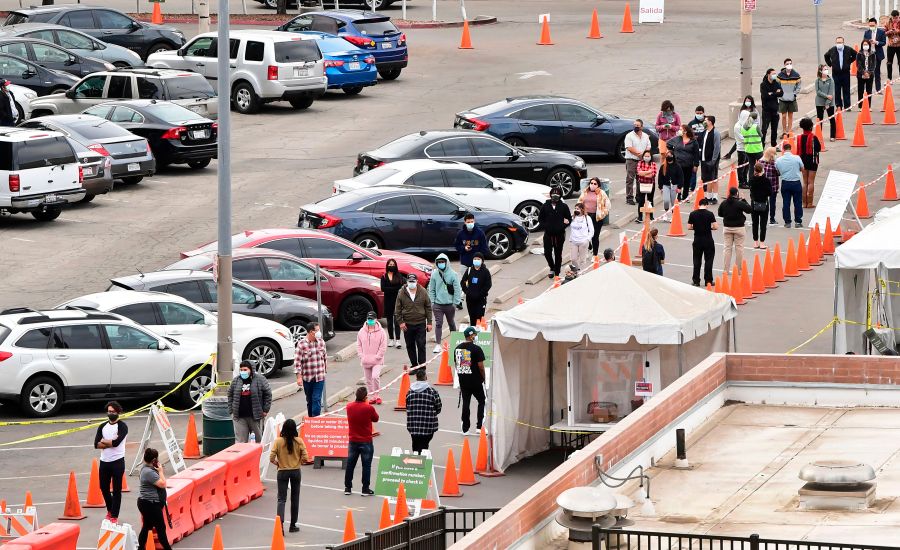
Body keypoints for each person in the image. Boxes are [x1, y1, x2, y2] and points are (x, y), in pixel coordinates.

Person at [269, 418, 309, 534]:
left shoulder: (278, 441)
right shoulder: (299, 441)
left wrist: (278, 463)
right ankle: (293, 525)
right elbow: (306, 457)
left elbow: (271, 457)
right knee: (295, 498)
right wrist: (298, 462)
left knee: (281, 499)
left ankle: (280, 525)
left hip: (282, 472)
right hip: (296, 471)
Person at [94, 401, 128, 524]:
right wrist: (108, 442)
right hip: (104, 462)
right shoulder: (102, 426)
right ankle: (110, 509)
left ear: (118, 412)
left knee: (117, 490)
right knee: (103, 487)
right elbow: (96, 444)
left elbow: (117, 443)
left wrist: (105, 442)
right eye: (109, 411)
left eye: (113, 412)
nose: (110, 414)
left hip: (118, 462)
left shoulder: (122, 426)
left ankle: (114, 515)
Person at [344, 387, 378, 496]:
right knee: (366, 465)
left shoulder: (349, 407)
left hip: (353, 440)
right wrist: (367, 404)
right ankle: (365, 488)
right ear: (365, 397)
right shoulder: (369, 408)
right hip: (366, 440)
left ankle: (348, 487)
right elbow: (376, 419)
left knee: (350, 464)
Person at [137, 448, 172, 550]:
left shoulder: (147, 469)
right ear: (154, 460)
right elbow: (163, 484)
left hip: (147, 503)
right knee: (161, 528)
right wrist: (161, 471)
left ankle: (141, 548)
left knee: (147, 526)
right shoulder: (148, 472)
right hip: (150, 504)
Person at [228, 360, 272, 442]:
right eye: (241, 370)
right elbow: (230, 395)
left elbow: (268, 394)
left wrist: (265, 410)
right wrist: (231, 411)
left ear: (251, 370)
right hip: (239, 417)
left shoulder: (260, 379)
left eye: (245, 370)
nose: (242, 372)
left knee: (258, 440)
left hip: (255, 417)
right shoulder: (236, 381)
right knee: (240, 442)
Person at [427, 253, 462, 354]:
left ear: (447, 262)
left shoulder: (453, 274)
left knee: (451, 323)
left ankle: (454, 343)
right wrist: (433, 302)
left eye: (443, 262)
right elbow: (431, 289)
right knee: (438, 324)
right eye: (439, 262)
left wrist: (455, 303)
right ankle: (438, 345)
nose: (441, 264)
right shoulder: (434, 274)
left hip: (450, 304)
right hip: (438, 305)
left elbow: (457, 290)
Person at [454, 326, 486, 435]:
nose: (476, 336)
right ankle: (479, 427)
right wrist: (483, 378)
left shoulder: (458, 348)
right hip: (476, 380)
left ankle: (465, 428)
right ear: (471, 336)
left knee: (466, 403)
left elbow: (457, 365)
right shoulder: (477, 349)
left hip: (464, 380)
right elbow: (481, 366)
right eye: (475, 335)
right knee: (481, 401)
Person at [396, 274, 432, 368]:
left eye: (413, 281)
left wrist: (429, 322)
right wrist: (401, 322)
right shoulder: (401, 292)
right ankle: (414, 365)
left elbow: (428, 307)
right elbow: (397, 309)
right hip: (407, 324)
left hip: (420, 323)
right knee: (410, 345)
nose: (411, 283)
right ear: (407, 282)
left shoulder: (423, 291)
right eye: (410, 282)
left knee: (421, 345)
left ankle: (422, 366)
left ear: (417, 282)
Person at [538, 186, 572, 278]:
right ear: (550, 195)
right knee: (547, 252)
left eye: (557, 195)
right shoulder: (545, 206)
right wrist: (546, 226)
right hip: (548, 234)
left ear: (560, 196)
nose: (555, 196)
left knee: (558, 254)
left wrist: (563, 226)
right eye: (553, 194)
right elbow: (540, 219)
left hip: (559, 235)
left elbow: (569, 219)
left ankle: (557, 273)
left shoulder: (563, 206)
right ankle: (552, 267)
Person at [405, 368, 442, 454]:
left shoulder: (410, 392)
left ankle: (416, 459)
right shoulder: (432, 392)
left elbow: (407, 407)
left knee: (415, 444)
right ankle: (422, 460)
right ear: (426, 378)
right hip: (428, 426)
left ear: (416, 378)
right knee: (424, 445)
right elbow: (438, 407)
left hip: (413, 425)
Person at [718, 187, 752, 275]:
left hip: (727, 228)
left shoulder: (724, 203)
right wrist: (744, 200)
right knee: (739, 249)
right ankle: (739, 270)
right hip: (739, 228)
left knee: (727, 249)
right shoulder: (739, 203)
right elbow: (749, 210)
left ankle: (725, 270)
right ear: (736, 194)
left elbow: (720, 214)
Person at [294, 323, 326, 417]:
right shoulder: (301, 344)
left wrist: (324, 371)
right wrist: (299, 377)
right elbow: (297, 362)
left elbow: (324, 357)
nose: (319, 332)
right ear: (311, 332)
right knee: (310, 401)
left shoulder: (321, 342)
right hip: (307, 378)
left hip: (319, 377)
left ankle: (315, 422)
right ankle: (311, 421)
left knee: (316, 399)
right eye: (317, 330)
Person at [357, 311, 386, 405]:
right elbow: (359, 345)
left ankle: (377, 396)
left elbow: (383, 346)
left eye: (372, 319)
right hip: (366, 360)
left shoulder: (381, 332)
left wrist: (378, 356)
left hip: (377, 361)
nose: (370, 321)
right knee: (368, 380)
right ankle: (372, 396)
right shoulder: (361, 331)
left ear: (376, 320)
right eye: (369, 319)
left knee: (375, 376)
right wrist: (361, 356)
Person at [687, 198, 718, 287]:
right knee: (708, 260)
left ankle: (696, 280)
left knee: (696, 260)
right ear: (706, 205)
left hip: (697, 240)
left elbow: (689, 227)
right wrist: (710, 228)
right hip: (708, 240)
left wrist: (696, 228)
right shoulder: (710, 214)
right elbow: (716, 226)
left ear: (699, 205)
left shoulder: (693, 214)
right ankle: (708, 280)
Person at [666, 124, 700, 201]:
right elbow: (668, 144)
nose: (679, 131)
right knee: (678, 180)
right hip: (678, 164)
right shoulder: (677, 139)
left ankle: (685, 196)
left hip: (688, 164)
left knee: (687, 181)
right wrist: (672, 151)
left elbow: (696, 154)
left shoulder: (693, 141)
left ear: (685, 131)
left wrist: (696, 164)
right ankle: (678, 195)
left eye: (681, 129)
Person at [775, 143, 805, 228]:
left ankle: (787, 222)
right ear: (791, 148)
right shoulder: (797, 158)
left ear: (783, 149)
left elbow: (777, 172)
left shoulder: (779, 160)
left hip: (785, 183)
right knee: (798, 203)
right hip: (796, 182)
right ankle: (798, 221)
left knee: (786, 203)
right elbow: (802, 169)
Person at [578, 177, 610, 255]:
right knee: (584, 235)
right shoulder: (585, 192)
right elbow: (579, 202)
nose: (592, 185)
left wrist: (602, 214)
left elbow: (608, 205)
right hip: (586, 216)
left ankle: (595, 254)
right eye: (591, 183)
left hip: (596, 217)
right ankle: (590, 247)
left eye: (595, 184)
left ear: (598, 185)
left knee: (595, 237)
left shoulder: (601, 193)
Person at [623, 119, 651, 205]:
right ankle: (629, 198)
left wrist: (644, 154)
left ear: (642, 127)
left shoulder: (645, 136)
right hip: (631, 160)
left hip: (641, 161)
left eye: (637, 125)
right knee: (630, 179)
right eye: (634, 125)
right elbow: (629, 148)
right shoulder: (629, 136)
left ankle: (639, 197)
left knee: (640, 179)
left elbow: (648, 146)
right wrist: (639, 154)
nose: (635, 127)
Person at [824, 37, 857, 111]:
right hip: (836, 73)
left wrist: (849, 62)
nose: (839, 44)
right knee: (837, 90)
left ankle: (847, 106)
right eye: (838, 43)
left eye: (840, 42)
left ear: (843, 43)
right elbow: (826, 56)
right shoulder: (832, 50)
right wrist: (830, 64)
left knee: (846, 90)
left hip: (845, 73)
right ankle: (838, 106)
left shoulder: (848, 49)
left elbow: (855, 54)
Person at [796, 117, 822, 209]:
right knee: (811, 182)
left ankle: (804, 203)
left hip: (802, 161)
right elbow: (819, 148)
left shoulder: (799, 137)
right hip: (812, 161)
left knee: (805, 182)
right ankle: (810, 203)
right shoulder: (813, 137)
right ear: (811, 126)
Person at [724, 95, 758, 161]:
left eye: (749, 101)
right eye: (746, 101)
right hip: (743, 128)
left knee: (742, 142)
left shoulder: (754, 110)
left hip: (750, 129)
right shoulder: (742, 110)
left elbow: (757, 120)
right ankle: (729, 154)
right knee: (739, 141)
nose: (747, 102)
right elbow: (740, 119)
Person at [461, 251, 491, 325]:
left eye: (478, 259)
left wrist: (480, 294)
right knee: (472, 318)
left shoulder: (485, 271)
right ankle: (473, 335)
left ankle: (479, 334)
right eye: (475, 259)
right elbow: (463, 282)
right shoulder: (469, 270)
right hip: (470, 299)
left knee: (479, 318)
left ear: (482, 261)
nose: (476, 260)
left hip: (480, 300)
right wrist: (467, 292)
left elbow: (488, 285)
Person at [380, 259, 403, 349]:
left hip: (397, 301)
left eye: (393, 264)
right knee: (389, 321)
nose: (391, 265)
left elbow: (400, 287)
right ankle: (391, 339)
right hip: (388, 301)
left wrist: (389, 289)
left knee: (397, 321)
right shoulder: (384, 276)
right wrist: (394, 289)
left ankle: (398, 340)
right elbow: (383, 288)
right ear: (387, 265)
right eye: (390, 264)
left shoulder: (399, 275)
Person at [748, 162, 772, 249]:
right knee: (763, 224)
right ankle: (762, 242)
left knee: (755, 223)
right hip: (764, 203)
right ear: (762, 170)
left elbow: (750, 189)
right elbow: (770, 192)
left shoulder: (752, 180)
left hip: (754, 203)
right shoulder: (766, 180)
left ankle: (755, 242)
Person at [699, 115, 721, 202]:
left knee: (713, 178)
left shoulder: (715, 133)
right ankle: (708, 196)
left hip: (712, 160)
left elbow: (717, 147)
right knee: (706, 179)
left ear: (710, 122)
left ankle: (714, 196)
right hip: (704, 159)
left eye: (706, 120)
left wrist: (714, 160)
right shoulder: (705, 132)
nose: (704, 122)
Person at [760, 69, 784, 147]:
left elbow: (781, 93)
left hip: (775, 110)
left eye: (775, 74)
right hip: (766, 111)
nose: (774, 75)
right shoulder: (763, 85)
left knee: (774, 130)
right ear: (768, 75)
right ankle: (762, 145)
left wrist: (771, 93)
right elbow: (765, 96)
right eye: (773, 74)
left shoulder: (776, 83)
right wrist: (775, 93)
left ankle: (774, 145)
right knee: (764, 130)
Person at [777, 59, 802, 134]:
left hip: (792, 99)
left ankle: (789, 131)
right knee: (784, 116)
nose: (789, 65)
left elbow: (799, 86)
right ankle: (784, 131)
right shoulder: (780, 75)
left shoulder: (796, 75)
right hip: (782, 99)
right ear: (784, 65)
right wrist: (780, 94)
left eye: (790, 63)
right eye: (787, 63)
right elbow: (777, 85)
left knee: (790, 116)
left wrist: (794, 94)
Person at [568, 202, 594, 270]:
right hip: (574, 241)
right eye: (575, 208)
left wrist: (587, 239)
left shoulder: (587, 218)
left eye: (578, 209)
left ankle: (582, 273)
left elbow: (591, 231)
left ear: (582, 210)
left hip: (583, 241)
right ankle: (576, 270)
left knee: (582, 260)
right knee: (573, 259)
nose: (576, 210)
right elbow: (566, 223)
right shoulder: (572, 217)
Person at [657, 150, 683, 217]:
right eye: (667, 156)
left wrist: (679, 187)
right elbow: (660, 177)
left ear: (673, 156)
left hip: (674, 186)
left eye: (670, 155)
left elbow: (681, 177)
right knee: (666, 200)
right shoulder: (663, 166)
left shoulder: (677, 166)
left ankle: (673, 215)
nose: (669, 157)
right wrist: (660, 187)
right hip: (666, 185)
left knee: (673, 202)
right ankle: (666, 214)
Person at [864, 17, 887, 92]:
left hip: (877, 54)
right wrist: (868, 43)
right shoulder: (867, 32)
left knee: (877, 72)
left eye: (873, 25)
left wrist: (876, 42)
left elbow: (884, 42)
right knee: (868, 72)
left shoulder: (881, 32)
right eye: (870, 25)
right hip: (869, 55)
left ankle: (878, 89)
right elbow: (864, 43)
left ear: (876, 24)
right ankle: (867, 89)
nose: (871, 27)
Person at [742, 111, 764, 185]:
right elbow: (761, 135)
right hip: (757, 149)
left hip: (748, 149)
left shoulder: (743, 127)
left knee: (751, 166)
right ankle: (761, 180)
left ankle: (751, 181)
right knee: (761, 165)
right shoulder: (756, 126)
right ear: (756, 118)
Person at [815, 64, 836, 142]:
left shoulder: (831, 80)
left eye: (826, 69)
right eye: (824, 69)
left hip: (829, 103)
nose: (826, 70)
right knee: (819, 119)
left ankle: (833, 136)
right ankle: (818, 136)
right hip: (819, 102)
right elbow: (818, 92)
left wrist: (827, 103)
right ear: (820, 71)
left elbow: (831, 93)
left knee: (832, 119)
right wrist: (826, 96)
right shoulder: (817, 80)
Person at [761, 147, 781, 226]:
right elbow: (779, 173)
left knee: (764, 202)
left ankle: (763, 217)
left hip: (763, 186)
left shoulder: (760, 162)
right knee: (772, 202)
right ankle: (772, 219)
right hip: (773, 186)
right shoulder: (774, 164)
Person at [635, 151, 657, 221]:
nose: (647, 157)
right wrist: (648, 171)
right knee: (641, 201)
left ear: (651, 157)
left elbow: (652, 175)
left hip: (651, 184)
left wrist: (644, 173)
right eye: (645, 156)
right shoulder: (640, 163)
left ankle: (651, 216)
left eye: (648, 156)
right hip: (641, 184)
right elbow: (639, 173)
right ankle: (640, 217)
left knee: (650, 200)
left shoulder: (653, 164)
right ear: (643, 156)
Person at [730, 110, 749, 188]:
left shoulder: (746, 124)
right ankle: (741, 182)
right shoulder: (737, 126)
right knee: (741, 166)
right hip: (741, 149)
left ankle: (745, 180)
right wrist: (750, 139)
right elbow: (742, 138)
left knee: (746, 166)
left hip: (747, 148)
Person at [857, 39, 877, 108]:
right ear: (862, 45)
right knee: (860, 91)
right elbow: (858, 64)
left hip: (870, 75)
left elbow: (873, 65)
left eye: (867, 44)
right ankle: (860, 106)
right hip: (861, 75)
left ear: (869, 45)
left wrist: (869, 73)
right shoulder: (859, 54)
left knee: (869, 91)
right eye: (864, 44)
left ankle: (869, 106)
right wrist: (863, 72)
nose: (865, 46)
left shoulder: (872, 54)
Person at [887, 11, 900, 82]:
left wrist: (898, 31)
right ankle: (889, 78)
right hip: (891, 45)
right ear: (891, 17)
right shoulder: (888, 23)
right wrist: (888, 32)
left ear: (898, 16)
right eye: (893, 18)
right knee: (889, 62)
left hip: (899, 46)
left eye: (896, 18)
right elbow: (884, 32)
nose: (895, 19)